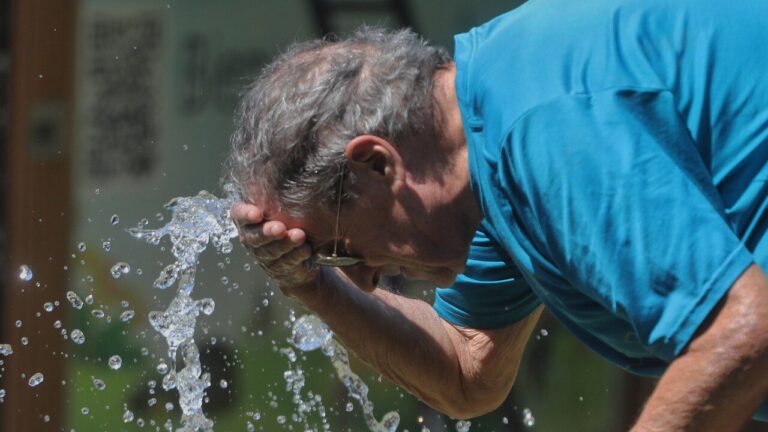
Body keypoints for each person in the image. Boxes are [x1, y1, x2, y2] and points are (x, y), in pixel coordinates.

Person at [225, 0, 768, 429]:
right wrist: (313, 285)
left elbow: (743, 330)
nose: (364, 279)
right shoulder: (488, 145)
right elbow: (467, 374)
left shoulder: (546, 127)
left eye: (338, 251)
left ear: (375, 164)